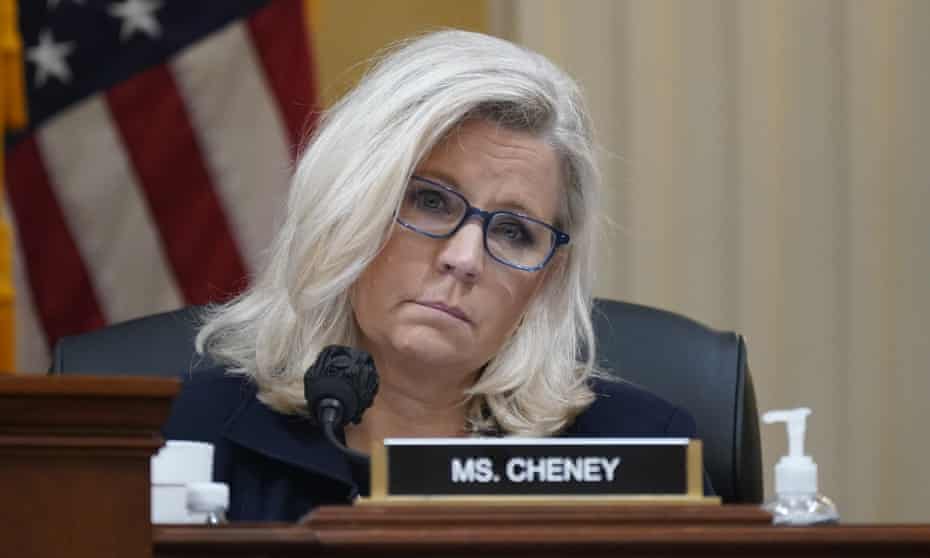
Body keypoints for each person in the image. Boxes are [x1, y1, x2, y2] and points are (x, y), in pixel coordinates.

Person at [163, 29, 707, 521]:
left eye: (515, 232)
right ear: (349, 207)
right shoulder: (184, 436)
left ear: (546, 276)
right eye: (430, 201)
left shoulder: (641, 452)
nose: (465, 258)